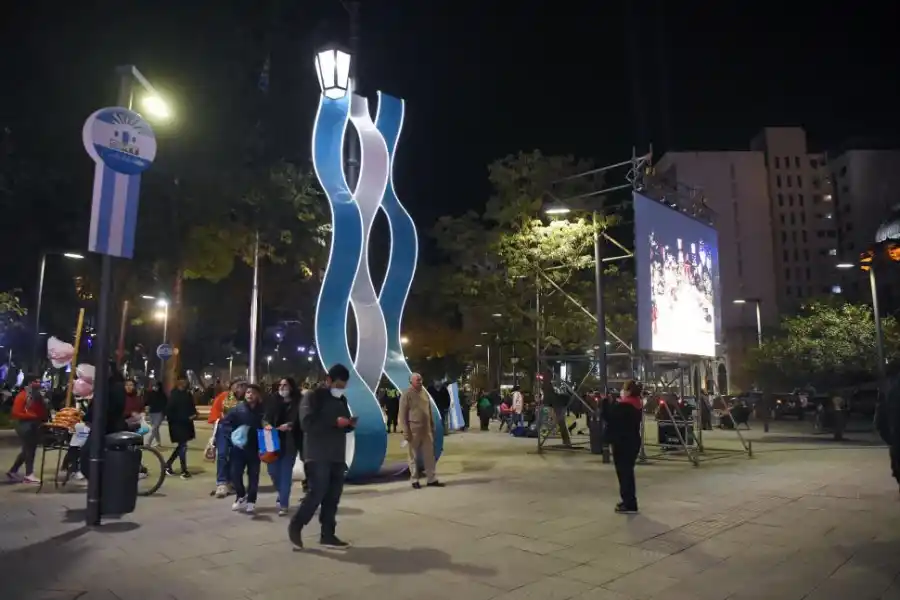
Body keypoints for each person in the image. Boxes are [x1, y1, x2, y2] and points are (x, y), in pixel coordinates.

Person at [289, 364, 355, 549]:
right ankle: (297, 524)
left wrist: (349, 424)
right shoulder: (312, 397)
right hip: (317, 454)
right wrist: (335, 422)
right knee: (316, 492)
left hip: (336, 454)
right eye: (338, 385)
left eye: (344, 386)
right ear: (328, 380)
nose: (340, 389)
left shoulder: (341, 400)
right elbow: (307, 423)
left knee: (333, 496)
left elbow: (343, 422)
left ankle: (328, 534)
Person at [222, 384, 265, 514]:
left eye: (252, 392)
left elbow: (268, 426)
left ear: (258, 395)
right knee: (235, 474)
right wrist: (234, 435)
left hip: (255, 448)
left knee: (253, 476)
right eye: (247, 393)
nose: (249, 395)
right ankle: (241, 496)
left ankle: (251, 501)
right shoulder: (237, 409)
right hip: (239, 449)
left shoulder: (263, 411)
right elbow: (225, 424)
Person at [603, 380, 643, 514]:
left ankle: (629, 503)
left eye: (624, 388)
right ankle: (628, 500)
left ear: (629, 391)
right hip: (632, 441)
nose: (622, 390)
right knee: (628, 472)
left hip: (623, 443)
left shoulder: (625, 406)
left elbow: (609, 417)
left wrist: (604, 403)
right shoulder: (636, 404)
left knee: (624, 473)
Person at [400, 372, 445, 490]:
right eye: (417, 380)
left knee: (430, 455)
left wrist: (432, 426)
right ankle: (414, 479)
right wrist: (405, 431)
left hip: (427, 430)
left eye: (421, 379)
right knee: (413, 456)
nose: (420, 382)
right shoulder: (406, 394)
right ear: (411, 382)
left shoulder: (425, 393)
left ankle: (431, 478)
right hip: (413, 429)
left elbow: (429, 411)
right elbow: (402, 414)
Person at [267, 377, 301, 516]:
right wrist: (266, 425)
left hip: (290, 441)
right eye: (280, 385)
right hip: (272, 439)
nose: (282, 387)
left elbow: (303, 420)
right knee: (273, 471)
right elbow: (265, 417)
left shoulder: (299, 402)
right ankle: (282, 492)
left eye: (285, 385)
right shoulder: (273, 401)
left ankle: (284, 504)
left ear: (292, 387)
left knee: (285, 473)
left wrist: (290, 425)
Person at [208, 379, 247, 498]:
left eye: (243, 386)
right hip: (224, 429)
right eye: (238, 386)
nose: (240, 389)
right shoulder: (225, 397)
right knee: (223, 454)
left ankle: (231, 481)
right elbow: (219, 413)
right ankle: (222, 482)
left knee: (235, 457)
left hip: (239, 431)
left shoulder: (247, 399)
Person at [6, 376, 48, 484]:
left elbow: (41, 410)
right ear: (29, 383)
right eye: (36, 381)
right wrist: (31, 415)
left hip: (34, 424)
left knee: (27, 449)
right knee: (30, 449)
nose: (38, 383)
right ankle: (29, 475)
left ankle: (13, 471)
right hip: (23, 424)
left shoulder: (37, 395)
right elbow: (16, 413)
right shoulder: (23, 395)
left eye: (39, 381)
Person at [164, 375, 197, 479]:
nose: (184, 383)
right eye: (181, 381)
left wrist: (194, 414)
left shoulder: (187, 394)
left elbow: (192, 407)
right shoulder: (174, 395)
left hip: (186, 425)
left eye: (185, 381)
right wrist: (184, 418)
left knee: (181, 447)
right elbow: (169, 412)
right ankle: (184, 470)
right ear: (178, 382)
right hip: (177, 425)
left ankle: (167, 465)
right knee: (183, 447)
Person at [145, 380, 168, 447]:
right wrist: (147, 408)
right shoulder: (151, 393)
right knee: (155, 429)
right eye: (154, 386)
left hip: (159, 413)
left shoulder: (163, 395)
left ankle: (148, 443)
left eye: (156, 386)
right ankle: (158, 442)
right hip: (152, 413)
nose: (155, 387)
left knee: (154, 428)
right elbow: (147, 402)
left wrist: (165, 414)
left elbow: (165, 405)